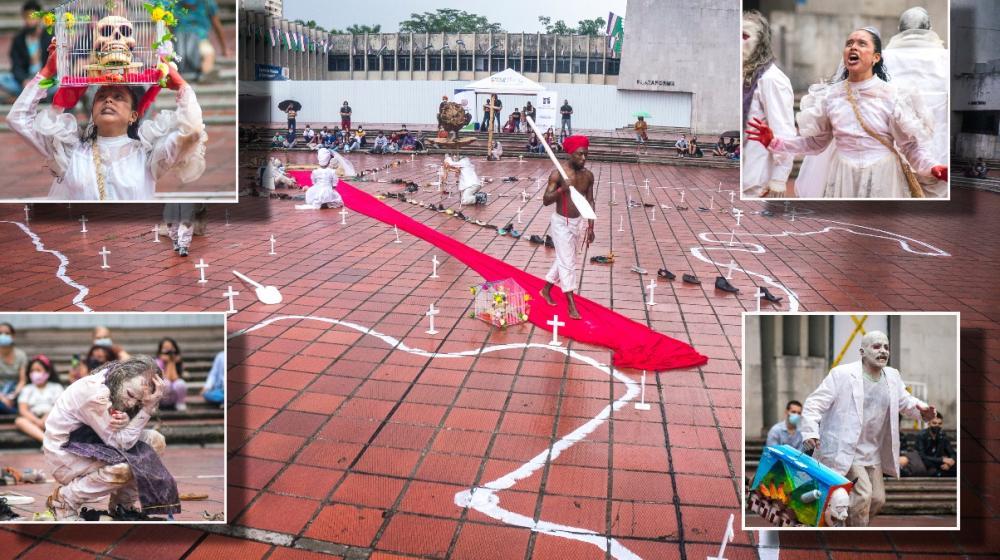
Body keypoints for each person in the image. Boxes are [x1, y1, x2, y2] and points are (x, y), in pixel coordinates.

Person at [746, 27, 948, 198]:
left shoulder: (893, 96)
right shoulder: (829, 96)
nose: (853, 47)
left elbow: (910, 147)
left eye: (862, 43)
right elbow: (816, 143)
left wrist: (932, 167)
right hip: (842, 176)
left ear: (876, 57)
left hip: (884, 175)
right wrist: (774, 142)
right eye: (849, 43)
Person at [8, 40, 207, 200]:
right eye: (101, 97)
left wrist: (182, 86)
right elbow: (17, 119)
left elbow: (193, 132)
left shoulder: (147, 154)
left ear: (133, 115)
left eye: (118, 97)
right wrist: (46, 72)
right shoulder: (69, 151)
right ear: (92, 110)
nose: (108, 100)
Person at [800, 330, 938, 527]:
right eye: (876, 346)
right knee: (863, 495)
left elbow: (906, 401)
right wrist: (811, 431)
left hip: (873, 452)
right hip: (846, 449)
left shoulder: (892, 376)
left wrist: (922, 411)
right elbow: (814, 403)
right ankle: (852, 536)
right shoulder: (842, 374)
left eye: (886, 347)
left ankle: (843, 522)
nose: (883, 351)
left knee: (877, 499)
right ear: (862, 352)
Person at [42, 357, 177, 520]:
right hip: (65, 456)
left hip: (94, 442)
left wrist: (128, 418)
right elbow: (121, 443)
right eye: (130, 395)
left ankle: (123, 506)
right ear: (123, 376)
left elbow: (122, 426)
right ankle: (64, 501)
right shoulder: (95, 393)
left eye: (138, 402)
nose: (131, 404)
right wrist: (148, 408)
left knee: (156, 441)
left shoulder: (115, 379)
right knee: (126, 468)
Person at [539, 135, 595, 320]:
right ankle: (571, 303)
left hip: (578, 222)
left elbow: (590, 201)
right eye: (580, 154)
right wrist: (562, 189)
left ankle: (546, 289)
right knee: (568, 263)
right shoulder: (558, 174)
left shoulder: (588, 176)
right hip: (561, 223)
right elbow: (546, 200)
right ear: (571, 154)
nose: (583, 158)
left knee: (566, 258)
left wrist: (591, 226)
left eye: (586, 154)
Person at [741, 10, 795, 198]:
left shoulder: (771, 79)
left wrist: (779, 179)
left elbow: (784, 132)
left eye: (744, 36)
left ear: (760, 42)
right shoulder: (742, 75)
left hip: (756, 181)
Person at [0, 2, 52, 101]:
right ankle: (37, 97)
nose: (29, 21)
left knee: (61, 81)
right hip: (26, 81)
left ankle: (24, 97)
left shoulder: (49, 38)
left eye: (33, 17)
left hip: (45, 81)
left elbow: (54, 65)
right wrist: (23, 80)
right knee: (2, 79)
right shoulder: (18, 40)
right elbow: (16, 66)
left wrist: (44, 79)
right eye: (26, 17)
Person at [174, 0, 228, 82]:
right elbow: (217, 25)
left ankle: (205, 72)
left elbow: (217, 25)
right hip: (183, 39)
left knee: (208, 53)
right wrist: (224, 49)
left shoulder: (207, 3)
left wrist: (224, 48)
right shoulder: (174, 4)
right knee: (208, 54)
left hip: (197, 39)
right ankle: (205, 72)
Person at [14, 355, 63, 443]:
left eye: (38, 370)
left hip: (52, 418)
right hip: (33, 419)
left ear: (47, 372)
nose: (35, 373)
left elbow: (59, 406)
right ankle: (46, 441)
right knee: (19, 421)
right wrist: (37, 421)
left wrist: (46, 418)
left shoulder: (56, 387)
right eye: (32, 371)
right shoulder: (27, 389)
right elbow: (23, 410)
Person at [915, 411, 956, 477]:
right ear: (929, 423)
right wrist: (942, 459)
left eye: (940, 423)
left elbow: (952, 453)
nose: (937, 425)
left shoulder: (942, 436)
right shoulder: (921, 435)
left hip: (939, 464)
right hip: (925, 465)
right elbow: (922, 456)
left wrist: (949, 464)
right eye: (934, 423)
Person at [0, 323, 28, 415]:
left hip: (15, 393)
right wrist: (2, 398)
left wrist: (12, 396)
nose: (3, 335)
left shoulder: (20, 355)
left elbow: (22, 381)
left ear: (13, 336)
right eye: (0, 333)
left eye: (7, 333)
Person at [155, 338, 187, 412]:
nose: (168, 351)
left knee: (180, 383)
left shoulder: (178, 362)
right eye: (165, 348)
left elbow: (175, 378)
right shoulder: (158, 362)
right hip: (162, 398)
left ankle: (180, 403)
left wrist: (171, 362)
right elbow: (166, 378)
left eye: (170, 348)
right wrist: (168, 362)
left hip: (174, 398)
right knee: (166, 383)